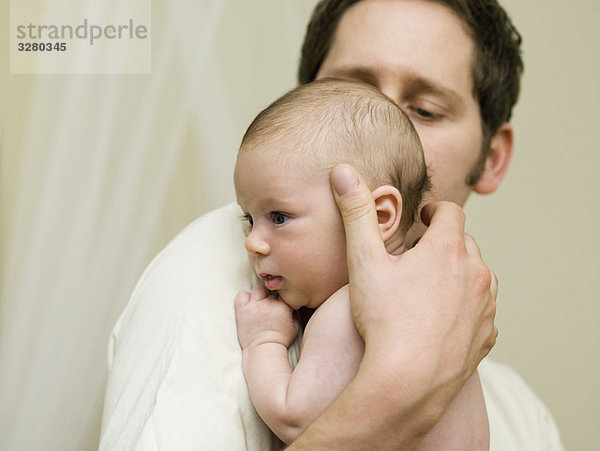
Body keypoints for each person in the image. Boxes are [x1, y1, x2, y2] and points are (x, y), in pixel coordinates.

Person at [100, 0, 564, 449]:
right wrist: (394, 398)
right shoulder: (215, 279)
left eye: (424, 110)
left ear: (493, 157)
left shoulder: (524, 416)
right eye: (348, 95)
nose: (383, 126)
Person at [234, 78, 489, 449]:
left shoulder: (347, 311)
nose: (252, 242)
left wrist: (265, 340)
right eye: (248, 219)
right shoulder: (441, 310)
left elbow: (295, 420)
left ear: (378, 215)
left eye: (278, 217)